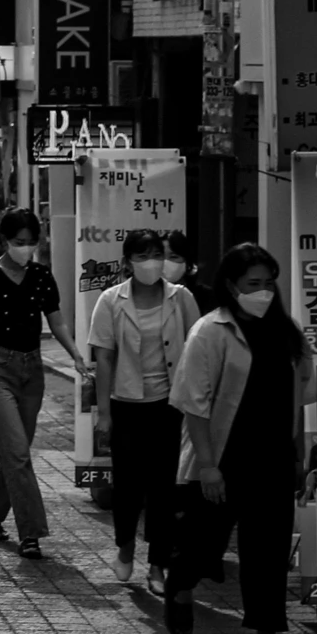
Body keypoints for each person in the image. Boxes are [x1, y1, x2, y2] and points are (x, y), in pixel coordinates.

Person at [164, 241, 315, 634]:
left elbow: (299, 402)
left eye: (269, 283)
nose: (263, 291)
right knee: (203, 543)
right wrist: (209, 466)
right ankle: (180, 585)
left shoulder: (287, 334)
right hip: (222, 456)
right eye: (254, 284)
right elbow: (194, 405)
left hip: (272, 457)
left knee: (267, 552)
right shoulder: (211, 331)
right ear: (231, 285)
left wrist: (299, 457)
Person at [0, 208, 89, 561]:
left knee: (16, 454)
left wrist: (75, 354)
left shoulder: (42, 276)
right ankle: (31, 533)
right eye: (18, 242)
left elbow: (56, 322)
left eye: (30, 242)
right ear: (4, 241)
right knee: (18, 453)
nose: (25, 249)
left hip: (33, 371)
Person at [88, 227, 199, 590]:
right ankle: (125, 546)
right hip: (126, 405)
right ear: (127, 262)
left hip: (168, 405)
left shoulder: (180, 298)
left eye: (156, 255)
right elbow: (103, 359)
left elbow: (197, 351)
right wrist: (103, 413)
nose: (152, 263)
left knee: (164, 487)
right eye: (142, 256)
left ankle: (157, 565)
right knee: (128, 486)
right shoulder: (110, 300)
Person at [162, 231, 213, 314]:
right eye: (161, 257)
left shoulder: (206, 296)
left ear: (187, 261)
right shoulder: (147, 295)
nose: (166, 262)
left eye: (173, 257)